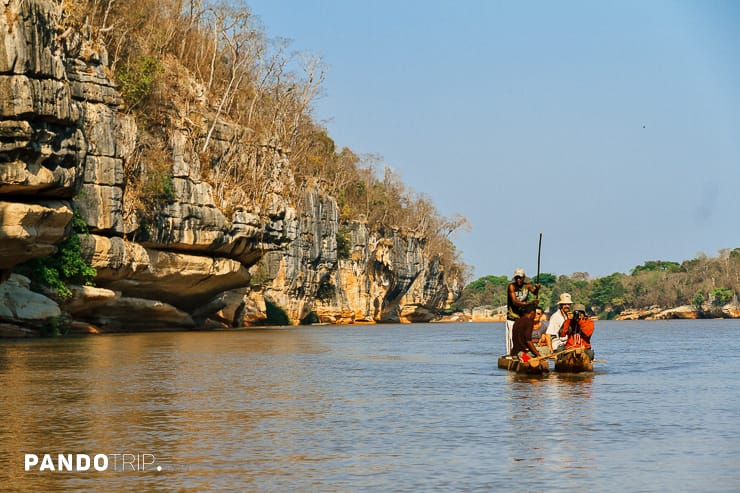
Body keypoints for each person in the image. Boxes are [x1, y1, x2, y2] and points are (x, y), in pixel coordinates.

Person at [505, 268, 540, 355]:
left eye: (520, 278)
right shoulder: (511, 286)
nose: (518, 280)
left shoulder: (527, 286)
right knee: (512, 338)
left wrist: (537, 288)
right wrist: (530, 303)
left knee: (523, 338)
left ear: (524, 277)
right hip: (512, 317)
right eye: (516, 278)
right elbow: (515, 302)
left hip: (522, 317)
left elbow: (534, 293)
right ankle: (511, 355)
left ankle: (522, 354)